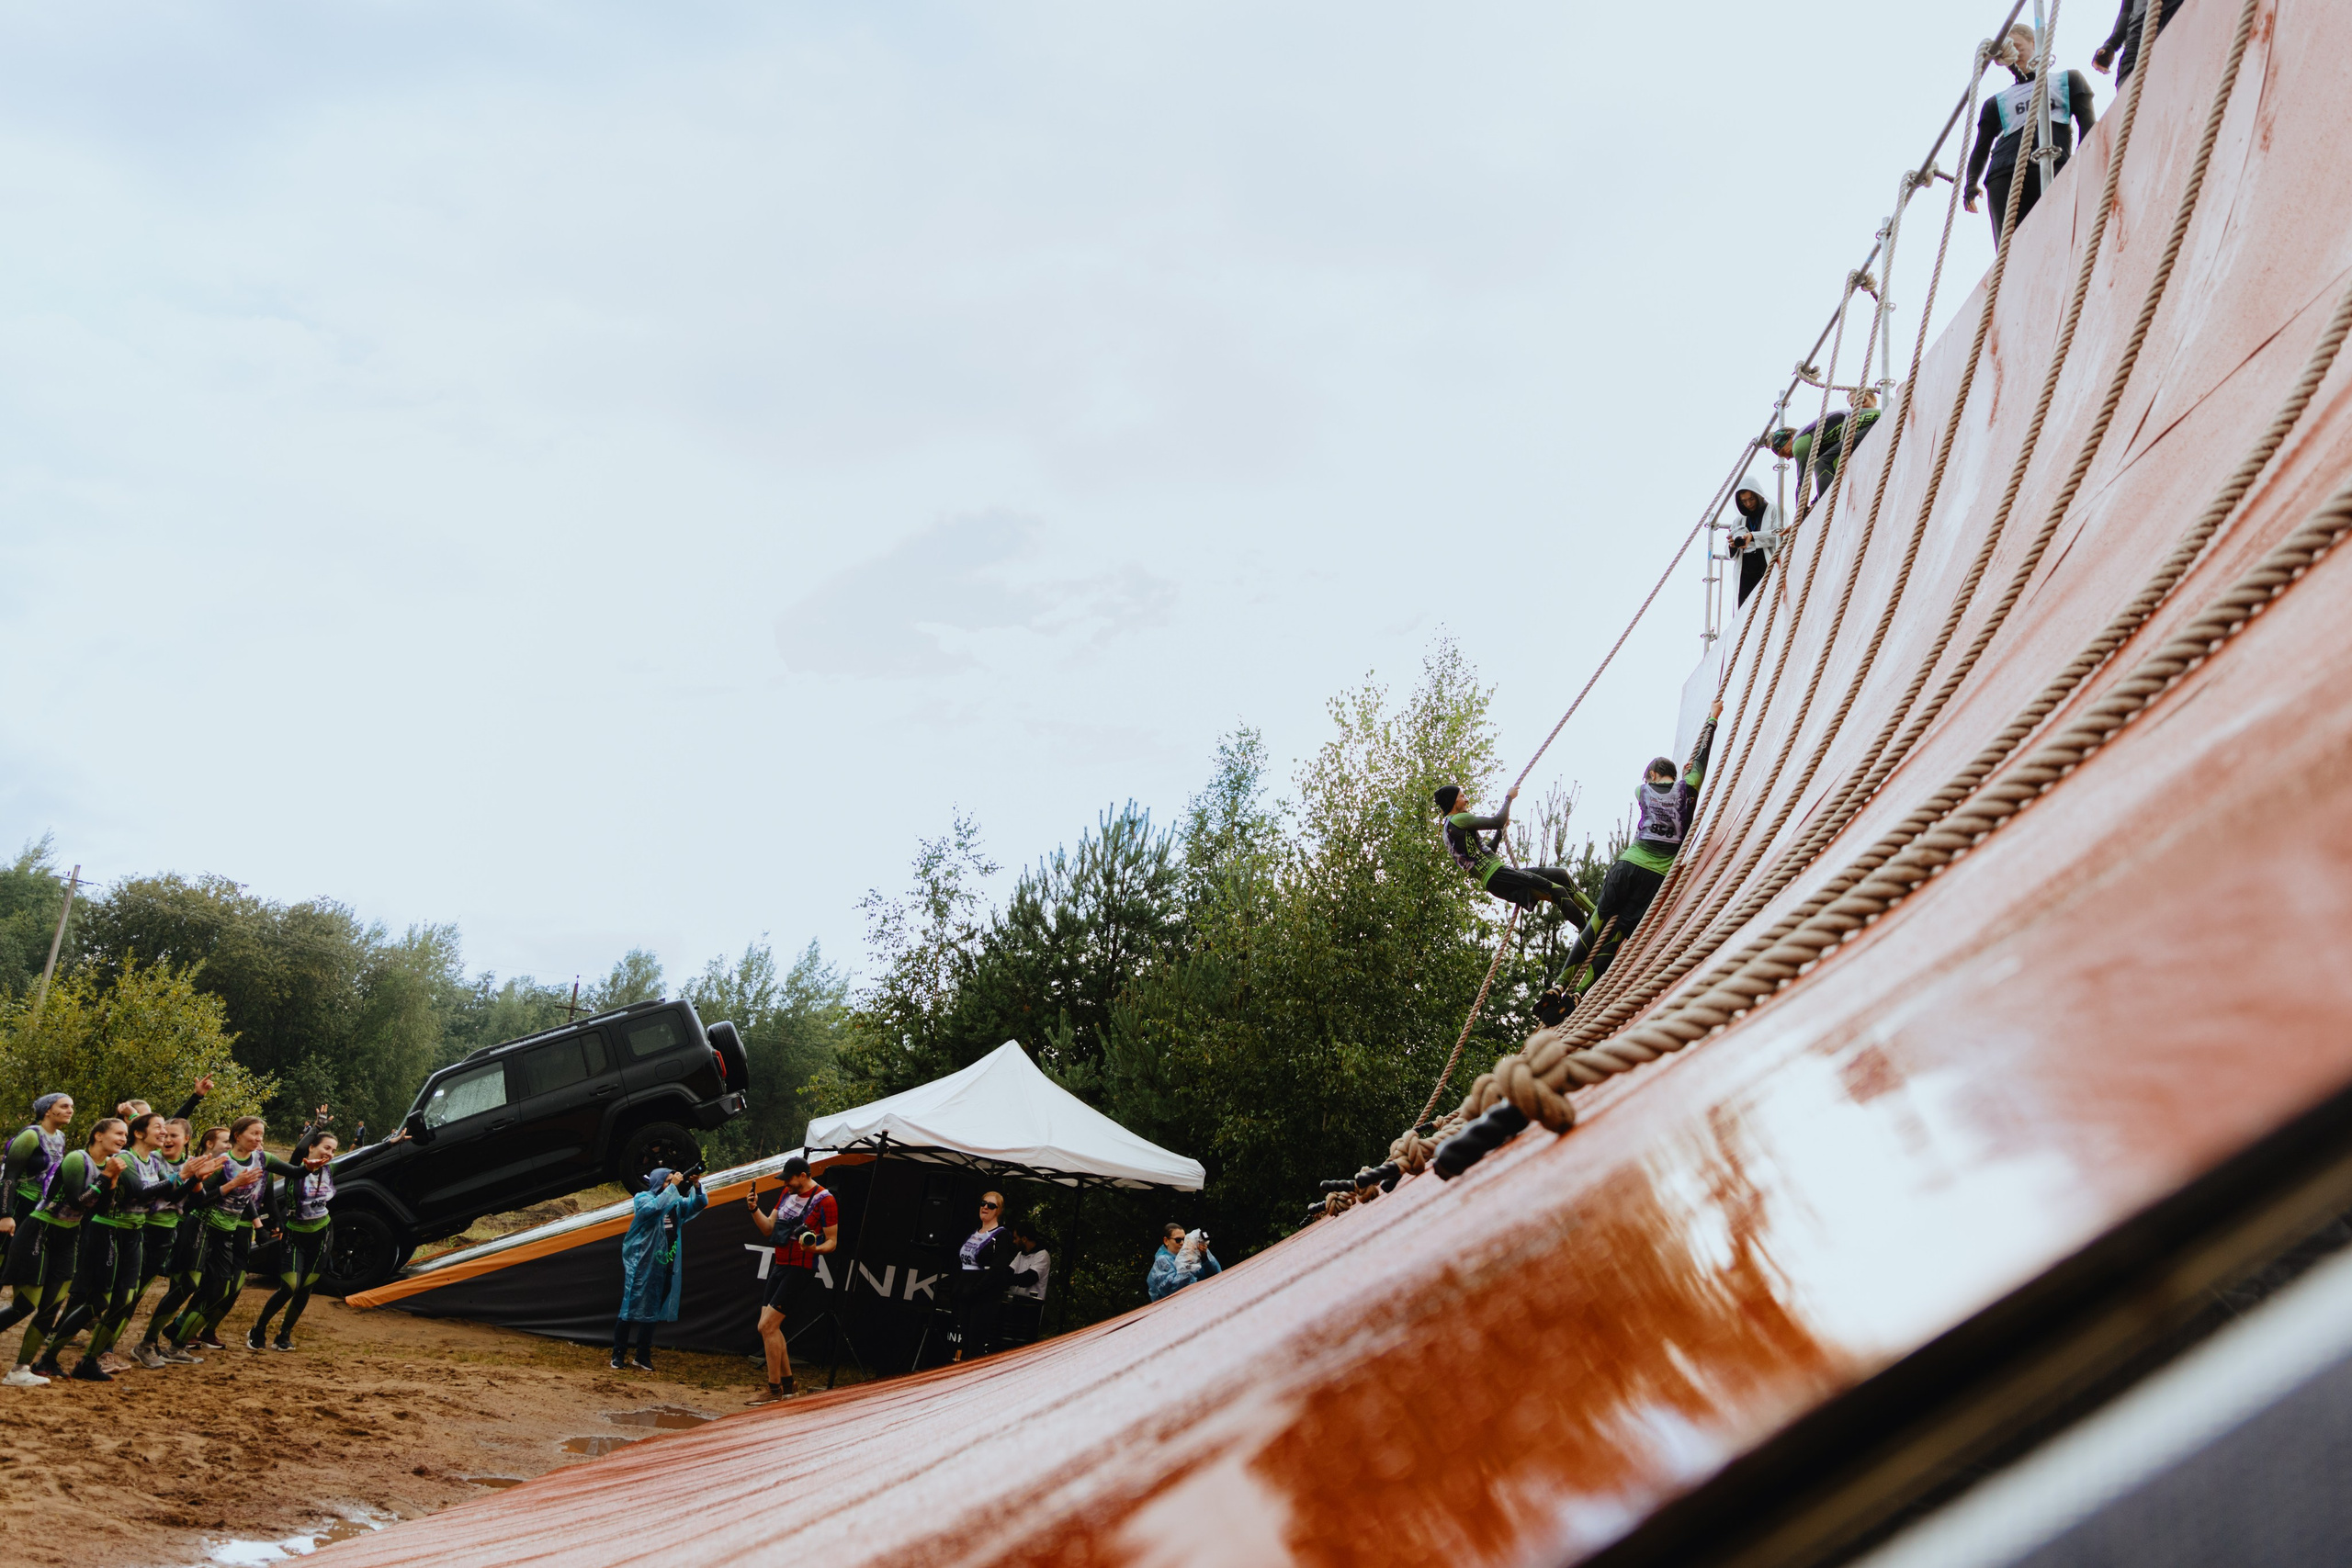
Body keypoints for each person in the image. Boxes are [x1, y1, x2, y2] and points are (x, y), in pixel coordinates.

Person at [1562, 700, 1724, 987]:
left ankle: (1560, 984)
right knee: (1619, 935)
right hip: (1657, 879)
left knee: (1597, 922)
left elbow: (1672, 785)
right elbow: (1701, 762)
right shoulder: (1689, 787)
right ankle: (1579, 993)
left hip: (1629, 865)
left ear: (1651, 775)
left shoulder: (1642, 790)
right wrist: (1712, 717)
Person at [164, 1114, 320, 1355]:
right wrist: (233, 1184)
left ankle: (185, 1335)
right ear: (237, 1136)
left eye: (262, 1135)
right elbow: (199, 1200)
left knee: (226, 1289)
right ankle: (170, 1334)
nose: (259, 1139)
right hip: (205, 1227)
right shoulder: (223, 1162)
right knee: (195, 1284)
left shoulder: (263, 1159)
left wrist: (308, 1167)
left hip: (235, 1230)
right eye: (254, 1133)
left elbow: (292, 1174)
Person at [12, 1116, 131, 1383]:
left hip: (69, 1235)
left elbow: (100, 1209)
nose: (124, 1139)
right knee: (24, 1305)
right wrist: (106, 1178)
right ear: (98, 1135)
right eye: (119, 1133)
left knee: (51, 1307)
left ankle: (23, 1369)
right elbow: (77, 1201)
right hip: (41, 1229)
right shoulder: (78, 1159)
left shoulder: (107, 1166)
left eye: (126, 1135)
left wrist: (110, 1181)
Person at [1965, 25, 2098, 243]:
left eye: (2018, 47)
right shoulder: (1996, 102)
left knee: (2062, 238)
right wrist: (1971, 184)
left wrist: (2081, 162)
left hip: (2053, 163)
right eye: (2009, 51)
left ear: (2035, 44)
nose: (2015, 55)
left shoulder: (2067, 80)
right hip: (2004, 174)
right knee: (2011, 251)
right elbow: (1981, 148)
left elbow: (2087, 124)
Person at [744, 1156, 837, 1405]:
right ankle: (788, 1386)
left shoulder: (825, 1200)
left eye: (790, 1179)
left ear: (804, 1176)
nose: (787, 1184)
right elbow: (768, 1229)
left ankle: (773, 1389)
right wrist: (754, 1209)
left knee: (768, 1327)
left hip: (801, 1267)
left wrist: (814, 1249)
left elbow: (832, 1241)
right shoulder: (786, 1194)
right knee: (768, 1327)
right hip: (780, 1264)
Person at [137, 1124, 231, 1365]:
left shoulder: (193, 1162)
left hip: (176, 1230)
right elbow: (167, 1195)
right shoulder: (152, 1160)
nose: (166, 1138)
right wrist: (189, 1177)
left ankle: (157, 1342)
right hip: (144, 1230)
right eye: (164, 1134)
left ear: (186, 1139)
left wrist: (197, 1179)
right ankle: (129, 1346)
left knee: (186, 1285)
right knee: (131, 1293)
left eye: (173, 1135)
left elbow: (195, 1201)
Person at [1432, 785, 1590, 920]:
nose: (1466, 800)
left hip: (1497, 880)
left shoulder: (1448, 830)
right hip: (1499, 875)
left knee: (1560, 876)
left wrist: (1500, 833)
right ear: (1454, 801)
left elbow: (1488, 851)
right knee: (1558, 891)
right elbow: (1497, 821)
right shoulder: (1459, 819)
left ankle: (1594, 914)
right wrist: (1509, 798)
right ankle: (1592, 931)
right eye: (1462, 796)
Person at [247, 1127, 340, 1351]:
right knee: (289, 1286)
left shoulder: (329, 1169)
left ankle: (284, 1335)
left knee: (306, 1287)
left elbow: (362, 1157)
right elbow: (299, 1151)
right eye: (326, 1147)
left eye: (334, 1150)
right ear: (311, 1147)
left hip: (322, 1232)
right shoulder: (296, 1168)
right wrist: (316, 1127)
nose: (329, 1153)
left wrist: (390, 1144)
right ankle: (258, 1328)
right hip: (294, 1232)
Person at [610, 1164, 707, 1376]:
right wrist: (673, 1188)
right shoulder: (642, 1198)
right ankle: (618, 1354)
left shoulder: (676, 1204)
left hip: (665, 1263)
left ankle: (642, 1355)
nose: (671, 1183)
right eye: (667, 1180)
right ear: (656, 1182)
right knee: (629, 1308)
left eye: (673, 1179)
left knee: (653, 1310)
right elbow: (651, 1210)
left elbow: (699, 1204)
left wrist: (696, 1185)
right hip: (641, 1263)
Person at [0, 1092, 78, 1349]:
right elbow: (9, 1176)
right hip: (18, 1205)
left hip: (38, 1208)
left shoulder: (61, 1137)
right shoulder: (31, 1135)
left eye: (72, 1107)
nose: (70, 1110)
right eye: (63, 1106)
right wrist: (6, 1214)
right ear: (47, 1111)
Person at [1768, 389, 1883, 507]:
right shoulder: (1818, 443)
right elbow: (1830, 473)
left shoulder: (1799, 444)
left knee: (1821, 463)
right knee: (1831, 462)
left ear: (1791, 437)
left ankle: (1828, 508)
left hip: (1876, 422)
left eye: (1784, 452)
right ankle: (1824, 503)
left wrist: (1799, 513)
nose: (1787, 458)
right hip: (1869, 428)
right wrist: (1815, 501)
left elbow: (1803, 482)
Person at [947, 1191, 1015, 1364]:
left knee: (975, 1344)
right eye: (983, 1203)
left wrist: (976, 1289)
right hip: (965, 1294)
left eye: (991, 1205)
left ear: (998, 1211)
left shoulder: (1001, 1236)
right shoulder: (973, 1233)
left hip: (984, 1296)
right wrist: (957, 1287)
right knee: (964, 1341)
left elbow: (998, 1268)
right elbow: (960, 1262)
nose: (985, 1207)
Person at [2092, 0, 2182, 86]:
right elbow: (2127, 10)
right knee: (2127, 90)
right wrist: (2111, 44)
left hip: (2176, 26)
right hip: (2135, 49)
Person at [1724, 478, 1783, 607]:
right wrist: (1732, 545)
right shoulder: (1738, 520)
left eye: (1751, 499)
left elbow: (1780, 534)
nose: (1749, 504)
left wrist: (1753, 536)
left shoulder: (1774, 510)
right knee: (1745, 608)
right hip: (1745, 570)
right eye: (1744, 501)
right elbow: (1729, 554)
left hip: (1766, 564)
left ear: (1758, 495)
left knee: (1770, 604)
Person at [1145, 1223, 1221, 1301]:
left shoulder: (1192, 1254)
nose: (1182, 1243)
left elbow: (1216, 1275)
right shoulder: (1162, 1261)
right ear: (1166, 1241)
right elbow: (1173, 1290)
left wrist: (1204, 1257)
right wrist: (1188, 1263)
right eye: (1178, 1240)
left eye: (1184, 1239)